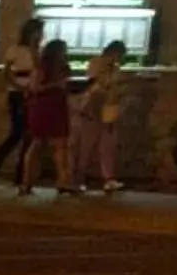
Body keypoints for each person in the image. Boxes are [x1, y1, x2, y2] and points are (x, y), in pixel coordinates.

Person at [0, 15, 44, 178]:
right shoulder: (16, 50)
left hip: (32, 92)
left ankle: (20, 171)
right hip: (18, 93)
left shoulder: (37, 51)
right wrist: (19, 87)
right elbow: (7, 72)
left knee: (28, 133)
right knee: (19, 131)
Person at [14, 38, 75, 198]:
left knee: (61, 145)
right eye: (63, 51)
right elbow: (34, 88)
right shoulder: (42, 68)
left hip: (57, 107)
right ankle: (27, 182)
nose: (65, 54)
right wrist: (55, 85)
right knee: (38, 144)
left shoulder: (63, 68)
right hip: (43, 107)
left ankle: (63, 181)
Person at [75, 40, 131, 194]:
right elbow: (95, 84)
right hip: (94, 108)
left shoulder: (116, 69)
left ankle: (108, 178)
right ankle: (79, 179)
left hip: (109, 108)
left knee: (108, 145)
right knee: (87, 145)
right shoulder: (96, 64)